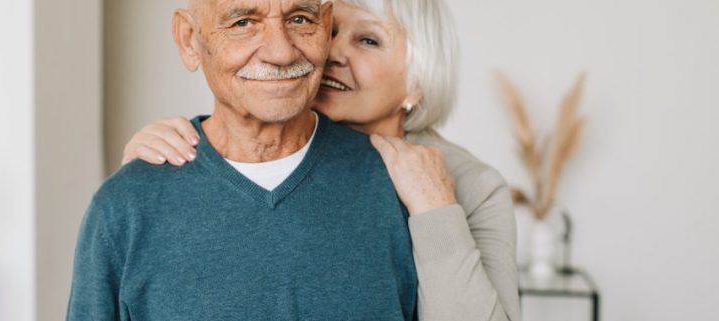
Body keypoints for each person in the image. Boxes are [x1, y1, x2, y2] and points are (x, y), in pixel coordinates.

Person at [121, 0, 521, 320]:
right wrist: (150, 176)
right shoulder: (261, 153)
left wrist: (436, 210)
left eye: (368, 41)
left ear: (417, 80)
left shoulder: (474, 185)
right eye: (327, 32)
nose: (332, 54)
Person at [67, 0, 420, 320]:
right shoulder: (124, 207)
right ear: (190, 40)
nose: (280, 52)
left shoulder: (401, 188)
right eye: (243, 23)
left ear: (325, 28)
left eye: (299, 19)